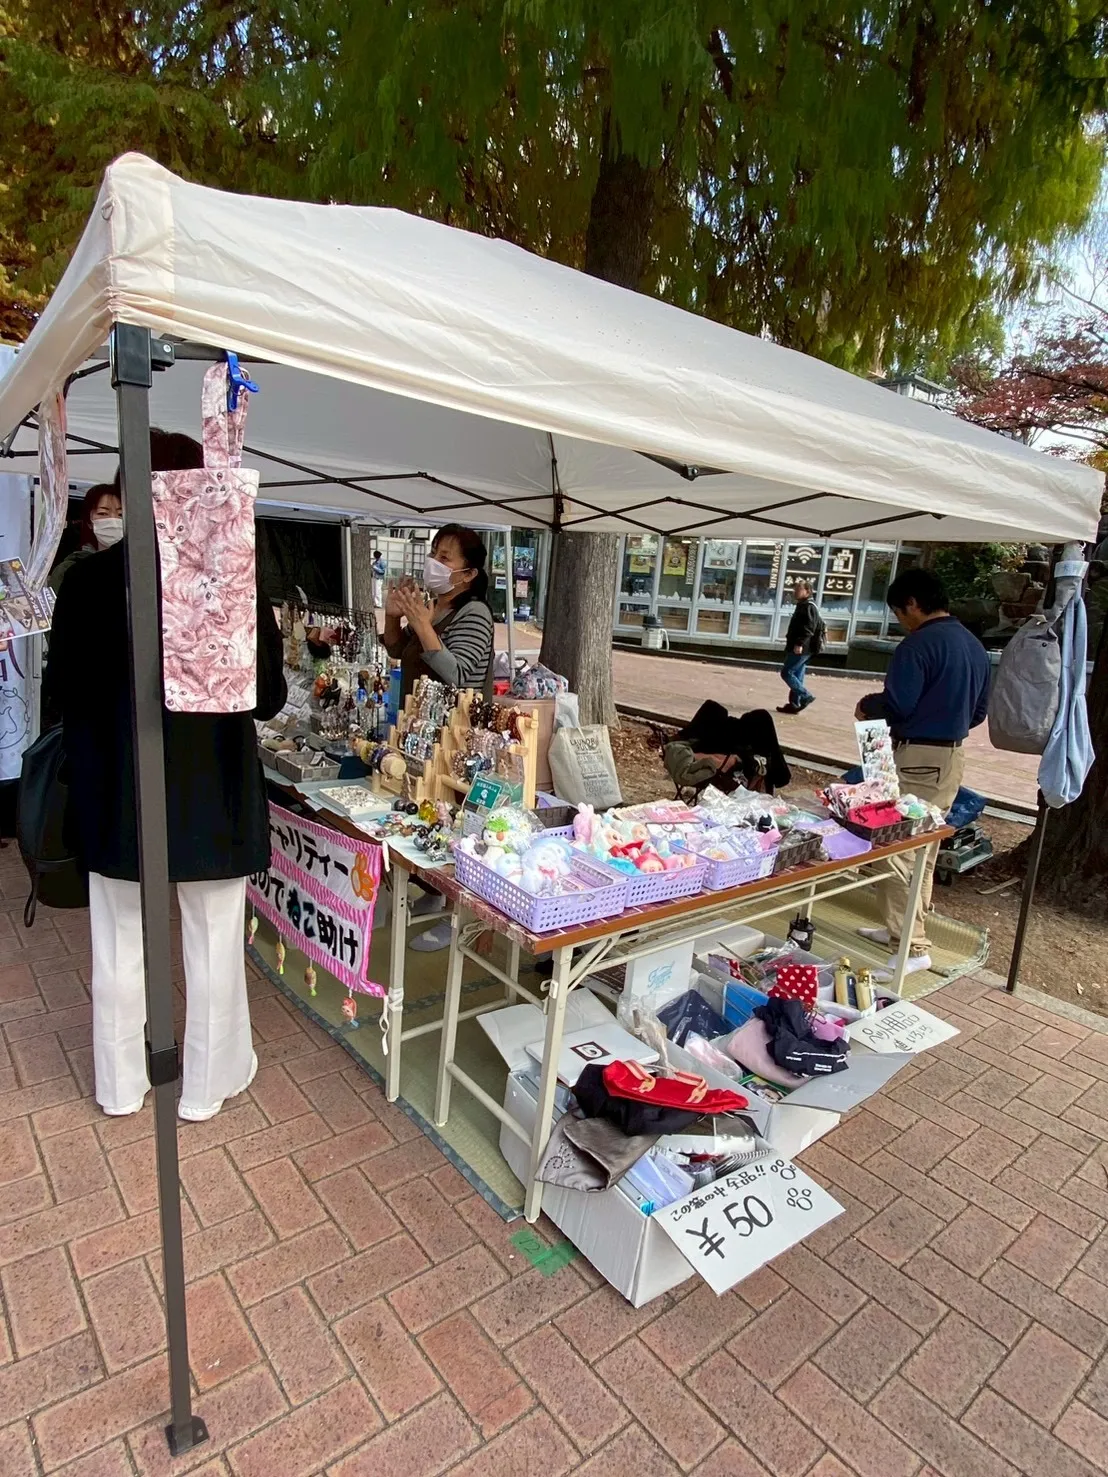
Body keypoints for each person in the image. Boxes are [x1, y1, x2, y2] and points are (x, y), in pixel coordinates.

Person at [42, 430, 287, 1121]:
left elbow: (60, 691)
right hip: (211, 794)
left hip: (116, 792)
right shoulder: (230, 580)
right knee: (213, 942)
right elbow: (269, 696)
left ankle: (120, 1084)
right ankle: (207, 1084)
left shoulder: (87, 581)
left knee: (118, 940)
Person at [854, 567, 990, 975]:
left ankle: (911, 945)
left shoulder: (917, 646)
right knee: (924, 850)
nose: (900, 621)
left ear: (912, 604)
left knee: (896, 852)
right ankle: (901, 930)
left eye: (899, 612)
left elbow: (898, 705)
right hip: (951, 759)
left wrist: (867, 705)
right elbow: (979, 713)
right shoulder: (974, 646)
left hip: (917, 758)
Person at [382, 524, 494, 950]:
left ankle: (456, 914)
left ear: (468, 573)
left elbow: (460, 675)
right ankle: (432, 891)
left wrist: (422, 624)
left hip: (456, 741)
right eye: (434, 553)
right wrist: (395, 615)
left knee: (452, 822)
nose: (435, 562)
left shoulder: (474, 614)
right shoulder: (435, 606)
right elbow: (398, 650)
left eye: (445, 557)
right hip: (421, 730)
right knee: (424, 815)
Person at [48, 484, 123, 592]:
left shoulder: (138, 568)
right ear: (89, 522)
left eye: (121, 514)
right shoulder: (69, 569)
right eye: (102, 513)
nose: (113, 520)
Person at [778, 579, 822, 714]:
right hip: (802, 647)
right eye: (795, 589)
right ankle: (794, 704)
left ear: (807, 591)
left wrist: (799, 644)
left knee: (787, 672)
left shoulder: (809, 607)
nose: (795, 592)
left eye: (798, 589)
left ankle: (805, 696)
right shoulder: (803, 605)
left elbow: (809, 628)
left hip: (803, 648)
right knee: (797, 674)